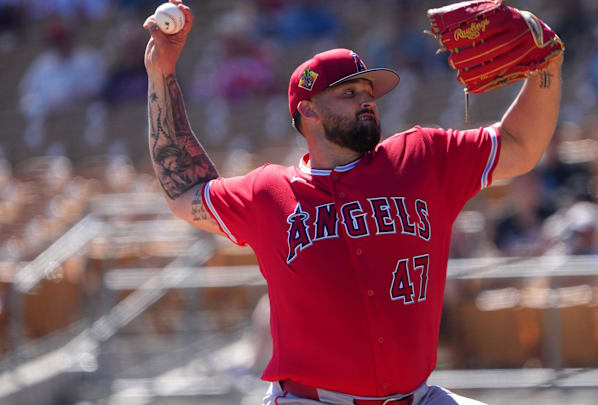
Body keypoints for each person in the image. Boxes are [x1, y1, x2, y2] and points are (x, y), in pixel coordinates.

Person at [142, 1, 563, 404]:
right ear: (307, 110)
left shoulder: (422, 156)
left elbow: (520, 146)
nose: (366, 99)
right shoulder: (268, 192)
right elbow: (185, 190)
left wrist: (546, 69)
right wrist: (161, 74)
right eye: (347, 93)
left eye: (368, 91)